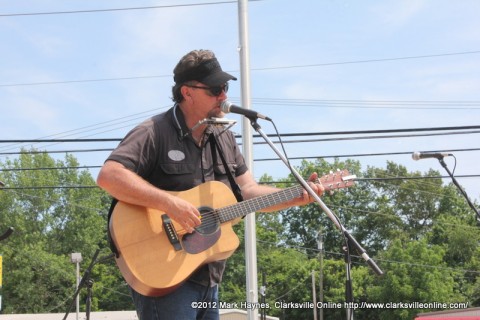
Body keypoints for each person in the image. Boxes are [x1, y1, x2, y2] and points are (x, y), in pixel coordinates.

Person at [96, 49, 324, 320]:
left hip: (209, 277)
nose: (224, 96)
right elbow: (109, 175)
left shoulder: (224, 137)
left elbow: (248, 191)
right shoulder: (154, 131)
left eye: (225, 87)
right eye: (215, 89)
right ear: (187, 92)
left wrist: (296, 196)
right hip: (164, 274)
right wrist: (169, 203)